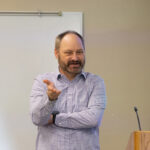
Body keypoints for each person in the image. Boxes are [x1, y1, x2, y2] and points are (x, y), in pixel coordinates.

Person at [30, 30, 106, 150]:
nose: (75, 58)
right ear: (56, 54)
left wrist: (54, 118)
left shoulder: (96, 82)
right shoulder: (42, 81)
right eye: (68, 53)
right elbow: (37, 119)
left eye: (79, 52)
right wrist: (50, 99)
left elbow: (93, 119)